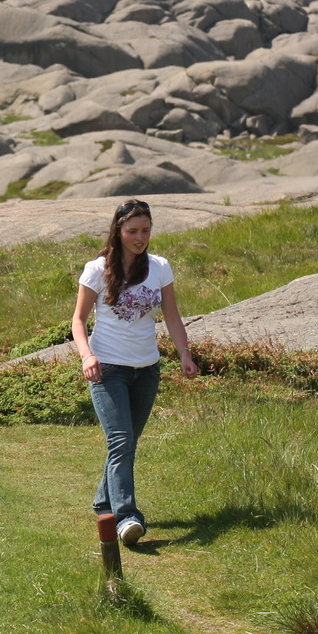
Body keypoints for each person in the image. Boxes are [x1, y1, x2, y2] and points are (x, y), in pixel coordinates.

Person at [71, 198, 197, 546]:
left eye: (145, 230)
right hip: (108, 368)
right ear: (118, 231)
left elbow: (172, 315)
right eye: (132, 231)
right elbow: (78, 320)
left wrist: (184, 354)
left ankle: (103, 502)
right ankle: (127, 517)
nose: (140, 238)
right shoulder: (96, 269)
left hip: (147, 369)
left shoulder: (160, 267)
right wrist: (86, 356)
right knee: (121, 441)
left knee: (125, 444)